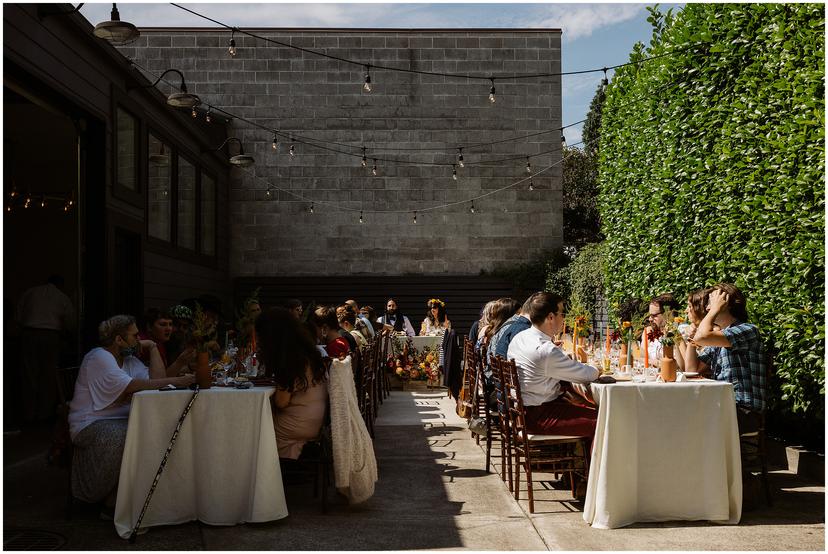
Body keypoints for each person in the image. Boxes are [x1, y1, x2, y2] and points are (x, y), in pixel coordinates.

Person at [68, 315, 194, 509]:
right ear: (119, 340)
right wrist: (178, 381)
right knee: (129, 435)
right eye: (135, 336)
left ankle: (140, 494)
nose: (138, 340)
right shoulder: (99, 356)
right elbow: (132, 385)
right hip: (89, 424)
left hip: (124, 419)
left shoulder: (129, 360)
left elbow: (155, 381)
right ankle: (110, 499)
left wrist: (152, 347)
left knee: (160, 430)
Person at [506, 292, 600, 441]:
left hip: (522, 412)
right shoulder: (545, 349)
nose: (564, 318)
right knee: (604, 422)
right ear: (550, 317)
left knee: (587, 408)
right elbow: (588, 375)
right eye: (562, 313)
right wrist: (598, 367)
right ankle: (594, 464)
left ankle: (583, 461)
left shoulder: (521, 337)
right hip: (539, 416)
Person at [683, 283, 766, 431]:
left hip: (743, 410)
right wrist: (691, 339)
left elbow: (703, 336)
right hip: (723, 406)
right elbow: (692, 369)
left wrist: (714, 310)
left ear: (725, 304)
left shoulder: (747, 330)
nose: (707, 308)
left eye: (711, 302)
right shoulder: (719, 337)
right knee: (680, 414)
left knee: (687, 423)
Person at [255, 308, 328, 460]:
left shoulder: (289, 359)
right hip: (315, 420)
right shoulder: (306, 352)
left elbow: (282, 402)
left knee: (252, 428)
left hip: (298, 426)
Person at [16, 274, 76, 422]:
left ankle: (28, 413)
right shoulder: (62, 297)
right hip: (51, 336)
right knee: (49, 375)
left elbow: (18, 315)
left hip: (28, 333)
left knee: (29, 374)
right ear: (60, 284)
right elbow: (70, 322)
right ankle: (44, 415)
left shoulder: (30, 292)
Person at [138, 308, 194, 377]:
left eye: (170, 324)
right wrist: (180, 362)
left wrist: (190, 367)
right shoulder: (142, 345)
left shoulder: (161, 342)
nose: (169, 328)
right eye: (163, 324)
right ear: (149, 327)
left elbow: (165, 371)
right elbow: (159, 379)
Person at [644, 293, 682, 365]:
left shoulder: (681, 331)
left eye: (654, 316)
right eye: (649, 315)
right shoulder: (658, 332)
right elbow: (642, 357)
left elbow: (684, 367)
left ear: (669, 313)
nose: (650, 319)